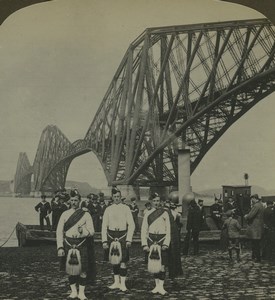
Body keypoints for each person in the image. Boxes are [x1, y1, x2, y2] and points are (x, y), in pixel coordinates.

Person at [56, 190, 96, 300]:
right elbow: (59, 231)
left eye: (76, 200)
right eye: (72, 200)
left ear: (79, 201)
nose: (74, 202)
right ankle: (73, 291)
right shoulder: (64, 214)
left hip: (81, 244)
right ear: (69, 201)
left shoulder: (86, 214)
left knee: (83, 269)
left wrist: (83, 231)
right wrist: (60, 247)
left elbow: (92, 231)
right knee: (70, 270)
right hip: (68, 243)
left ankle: (82, 293)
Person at [101, 187, 135, 292]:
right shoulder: (108, 209)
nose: (116, 198)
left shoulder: (126, 208)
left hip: (122, 236)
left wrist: (129, 239)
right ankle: (116, 282)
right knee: (114, 261)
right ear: (112, 197)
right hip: (111, 235)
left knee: (123, 261)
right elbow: (103, 226)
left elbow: (132, 225)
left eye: (118, 197)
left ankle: (123, 284)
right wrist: (104, 241)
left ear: (121, 197)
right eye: (115, 197)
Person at [141, 193, 171, 295]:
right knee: (154, 264)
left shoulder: (165, 213)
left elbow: (168, 230)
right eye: (154, 201)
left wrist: (166, 243)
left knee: (162, 265)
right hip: (151, 241)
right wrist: (145, 244)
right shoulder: (147, 213)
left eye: (158, 201)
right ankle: (156, 286)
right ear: (151, 202)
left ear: (160, 202)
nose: (156, 203)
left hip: (162, 240)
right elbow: (144, 230)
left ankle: (161, 287)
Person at [244, 194, 264, 262]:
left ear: (254, 198)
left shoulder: (256, 206)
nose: (251, 201)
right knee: (256, 243)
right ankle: (255, 256)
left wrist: (246, 216)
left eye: (252, 199)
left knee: (255, 243)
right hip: (259, 226)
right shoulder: (261, 205)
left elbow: (250, 216)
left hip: (255, 227)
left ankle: (257, 258)